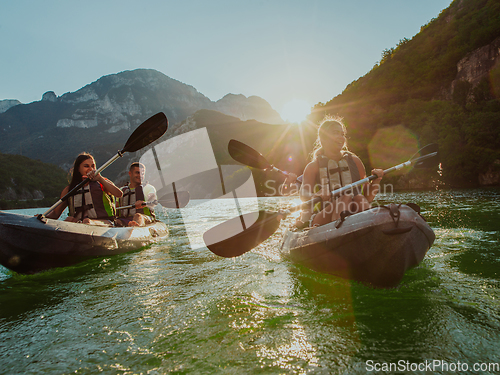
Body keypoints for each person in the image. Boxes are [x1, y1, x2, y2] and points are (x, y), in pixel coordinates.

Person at [299, 116, 384, 227]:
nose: (341, 137)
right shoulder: (313, 166)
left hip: (354, 210)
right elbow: (303, 195)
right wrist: (315, 195)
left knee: (358, 197)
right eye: (336, 133)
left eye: (342, 134)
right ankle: (339, 231)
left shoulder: (355, 161)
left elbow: (368, 198)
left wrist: (377, 180)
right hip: (322, 217)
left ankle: (372, 228)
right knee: (345, 197)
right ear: (323, 138)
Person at [46, 152, 123, 226]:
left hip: (105, 222)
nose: (90, 169)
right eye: (86, 166)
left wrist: (100, 178)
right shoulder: (69, 189)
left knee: (87, 221)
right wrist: (41, 218)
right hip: (80, 225)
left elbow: (119, 194)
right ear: (78, 169)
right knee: (69, 219)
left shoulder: (102, 182)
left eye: (93, 166)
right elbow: (56, 213)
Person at [116, 162, 157, 227]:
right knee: (116, 221)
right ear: (130, 173)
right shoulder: (121, 190)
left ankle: (135, 227)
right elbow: (116, 207)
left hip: (145, 218)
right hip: (125, 219)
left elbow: (153, 201)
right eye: (137, 173)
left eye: (142, 173)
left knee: (138, 216)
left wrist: (145, 203)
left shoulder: (148, 188)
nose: (140, 175)